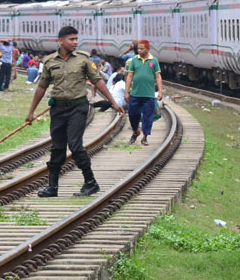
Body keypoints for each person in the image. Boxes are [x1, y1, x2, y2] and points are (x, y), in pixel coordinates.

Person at [25, 26, 122, 198]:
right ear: (61, 41)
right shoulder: (49, 61)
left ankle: (90, 182)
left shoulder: (83, 59)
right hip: (58, 109)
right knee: (57, 148)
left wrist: (113, 102)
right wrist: (31, 112)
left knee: (75, 145)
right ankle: (52, 187)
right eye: (71, 39)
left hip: (78, 107)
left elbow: (97, 81)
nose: (75, 42)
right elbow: (41, 86)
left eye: (76, 39)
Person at [124, 39, 163, 146]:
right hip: (135, 94)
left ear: (148, 49)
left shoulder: (154, 61)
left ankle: (145, 137)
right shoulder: (134, 60)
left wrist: (160, 91)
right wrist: (126, 92)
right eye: (138, 49)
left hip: (149, 95)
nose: (139, 51)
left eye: (142, 49)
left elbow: (158, 76)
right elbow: (130, 76)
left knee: (148, 116)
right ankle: (136, 131)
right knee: (133, 114)